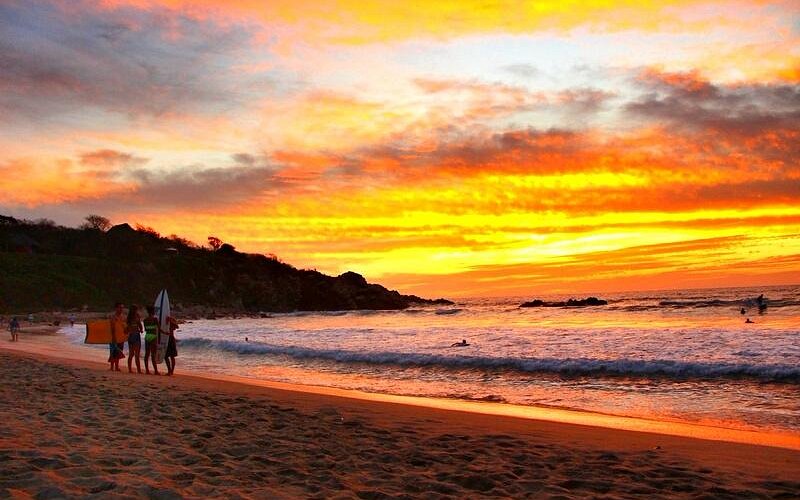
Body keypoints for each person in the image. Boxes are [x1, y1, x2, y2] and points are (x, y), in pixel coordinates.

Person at [142, 306, 160, 375]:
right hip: (153, 337)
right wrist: (165, 333)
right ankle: (155, 371)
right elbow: (159, 329)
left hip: (147, 336)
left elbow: (146, 329)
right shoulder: (155, 319)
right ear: (153, 312)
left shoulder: (145, 320)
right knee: (153, 355)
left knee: (147, 354)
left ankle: (147, 370)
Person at [108, 303, 126, 371]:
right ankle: (112, 367)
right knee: (113, 351)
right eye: (120, 307)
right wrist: (113, 337)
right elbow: (112, 327)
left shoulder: (122, 317)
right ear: (116, 308)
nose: (121, 309)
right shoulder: (113, 317)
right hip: (114, 337)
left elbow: (124, 326)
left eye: (122, 308)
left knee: (119, 352)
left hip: (121, 337)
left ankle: (117, 367)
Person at [126, 305, 143, 374]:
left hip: (132, 335)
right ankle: (138, 370)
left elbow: (128, 327)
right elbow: (139, 324)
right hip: (135, 335)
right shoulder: (135, 316)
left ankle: (131, 369)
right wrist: (140, 329)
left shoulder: (130, 317)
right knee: (135, 354)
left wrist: (141, 329)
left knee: (132, 354)